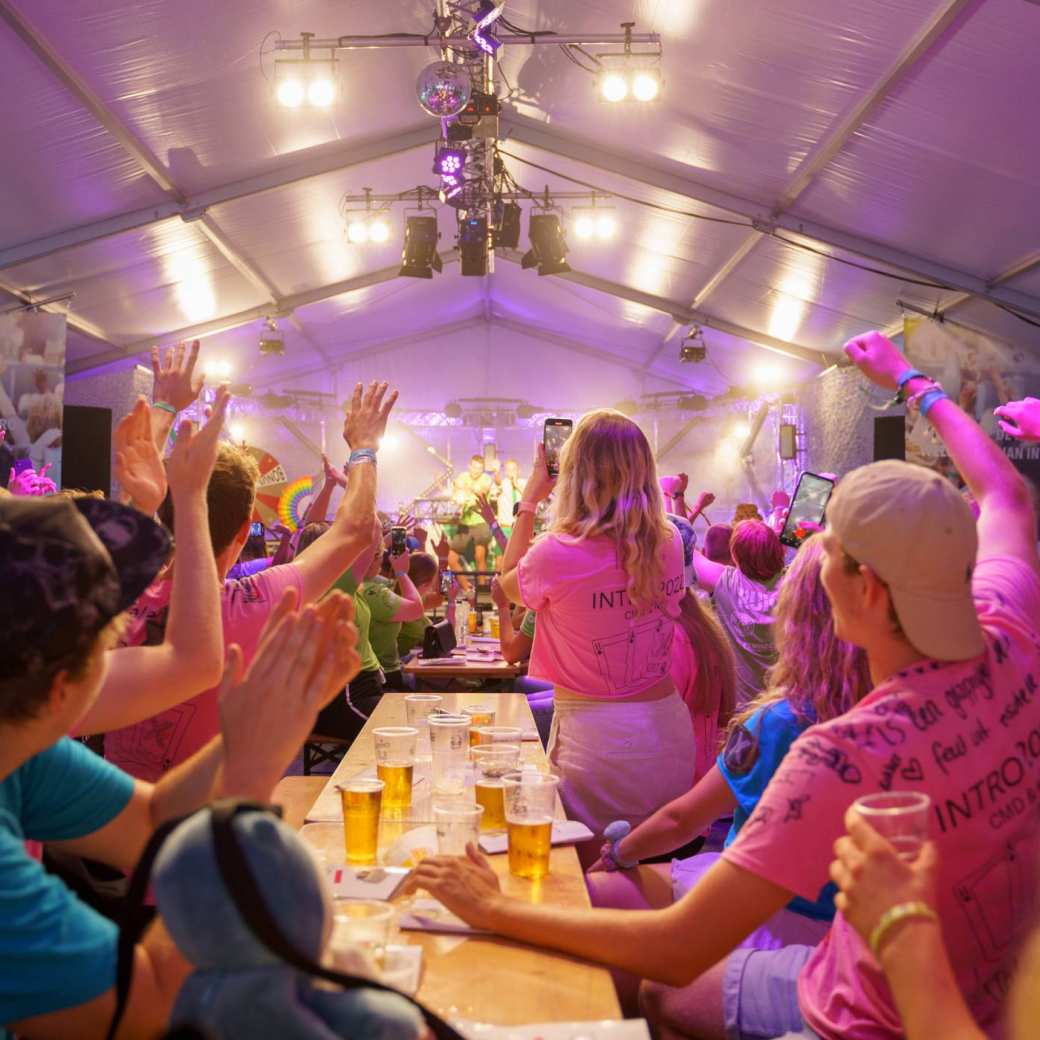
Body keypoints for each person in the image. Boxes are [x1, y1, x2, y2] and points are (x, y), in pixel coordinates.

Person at [402, 329, 1040, 1040]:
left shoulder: (840, 753)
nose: (812, 551)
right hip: (1002, 1000)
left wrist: (494, 910)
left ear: (857, 591)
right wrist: (910, 381)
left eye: (828, 542)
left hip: (865, 1012)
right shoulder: (1010, 634)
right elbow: (1008, 493)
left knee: (654, 987)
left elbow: (680, 949)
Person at [0, 438, 362, 1039]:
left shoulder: (20, 750)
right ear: (66, 688)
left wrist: (249, 737)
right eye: (111, 628)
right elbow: (152, 1007)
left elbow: (155, 821)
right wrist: (244, 785)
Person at [103, 380, 397, 781]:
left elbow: (129, 517)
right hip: (214, 829)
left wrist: (163, 409)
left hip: (108, 820)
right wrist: (364, 447)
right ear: (246, 530)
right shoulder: (258, 600)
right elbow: (358, 529)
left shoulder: (117, 588)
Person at [587, 538, 866, 943]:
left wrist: (618, 853)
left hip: (766, 911)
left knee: (594, 893)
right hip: (840, 919)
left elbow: (681, 819)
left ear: (797, 614)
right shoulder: (892, 714)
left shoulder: (783, 721)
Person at [496, 415, 694, 847]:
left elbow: (507, 579)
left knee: (586, 876)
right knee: (654, 873)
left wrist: (530, 498)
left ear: (574, 474)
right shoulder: (670, 541)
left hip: (596, 741)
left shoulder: (557, 552)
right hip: (667, 727)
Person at [693, 518, 784, 707]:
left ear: (735, 556)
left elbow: (683, 548)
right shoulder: (796, 583)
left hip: (742, 712)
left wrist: (675, 496)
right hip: (785, 709)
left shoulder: (724, 583)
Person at [363, 546, 425, 690]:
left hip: (381, 671)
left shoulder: (369, 584)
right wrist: (402, 572)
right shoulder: (374, 592)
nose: (383, 556)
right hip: (384, 675)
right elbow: (416, 609)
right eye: (379, 553)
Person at [452, 455, 494, 577]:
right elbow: (456, 494)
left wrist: (465, 487)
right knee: (451, 559)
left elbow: (482, 492)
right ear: (469, 466)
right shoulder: (463, 476)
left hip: (481, 521)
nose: (477, 470)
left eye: (480, 468)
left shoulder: (486, 478)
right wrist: (457, 492)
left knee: (479, 556)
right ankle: (467, 589)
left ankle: (482, 593)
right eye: (474, 467)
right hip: (464, 522)